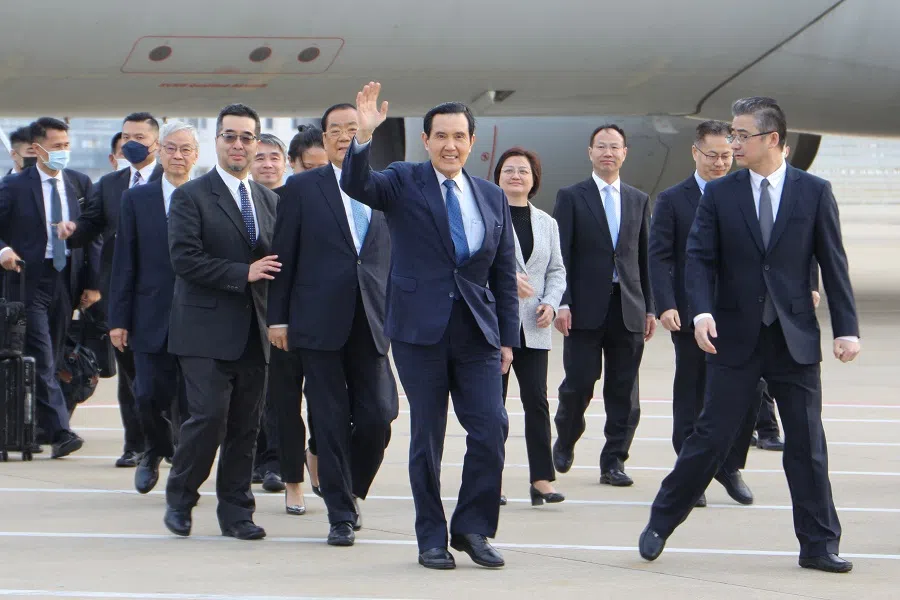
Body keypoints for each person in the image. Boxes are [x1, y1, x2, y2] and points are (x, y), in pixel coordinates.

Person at [639, 97, 861, 574]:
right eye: (732, 135)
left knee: (806, 444)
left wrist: (846, 329)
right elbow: (697, 258)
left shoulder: (814, 191)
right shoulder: (721, 194)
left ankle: (819, 545)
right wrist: (699, 312)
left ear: (773, 139)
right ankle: (661, 520)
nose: (733, 144)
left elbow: (833, 264)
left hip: (794, 338)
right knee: (711, 435)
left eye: (742, 136)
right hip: (734, 337)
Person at [341, 82, 519, 570]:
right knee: (428, 438)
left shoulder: (490, 196)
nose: (450, 145)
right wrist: (364, 135)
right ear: (426, 140)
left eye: (459, 136)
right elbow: (358, 185)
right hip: (419, 332)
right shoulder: (404, 180)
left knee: (491, 429)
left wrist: (508, 339)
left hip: (478, 334)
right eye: (441, 135)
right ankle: (431, 538)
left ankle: (473, 528)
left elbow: (503, 273)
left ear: (472, 142)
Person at [268, 102, 397, 545]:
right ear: (323, 140)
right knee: (329, 417)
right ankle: (340, 513)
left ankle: (352, 489)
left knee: (379, 416)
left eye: (353, 128)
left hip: (374, 319)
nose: (345, 136)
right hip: (317, 322)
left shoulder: (386, 186)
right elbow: (284, 257)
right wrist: (279, 318)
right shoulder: (301, 189)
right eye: (336, 130)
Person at [162, 104, 279, 541]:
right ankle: (181, 496)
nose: (238, 144)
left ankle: (236, 513)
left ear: (257, 142)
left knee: (247, 427)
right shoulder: (191, 196)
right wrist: (240, 273)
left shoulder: (270, 200)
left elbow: (280, 266)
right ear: (217, 141)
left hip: (257, 332)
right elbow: (184, 259)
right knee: (208, 418)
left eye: (246, 137)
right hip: (204, 332)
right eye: (230, 136)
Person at [649, 120, 756, 507]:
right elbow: (659, 256)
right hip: (691, 313)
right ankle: (689, 472)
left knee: (750, 390)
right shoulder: (673, 200)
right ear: (695, 152)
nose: (720, 163)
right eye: (712, 155)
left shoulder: (746, 193)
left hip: (742, 312)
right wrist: (665, 304)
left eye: (727, 155)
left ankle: (729, 465)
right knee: (692, 391)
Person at [59, 112, 165, 468]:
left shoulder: (173, 181)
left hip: (164, 294)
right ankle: (135, 444)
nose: (130, 143)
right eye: (125, 136)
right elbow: (90, 227)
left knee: (168, 373)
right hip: (120, 294)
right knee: (130, 374)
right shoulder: (109, 184)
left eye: (138, 136)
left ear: (156, 142)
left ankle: (171, 440)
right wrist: (73, 229)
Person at [552, 124, 655, 487]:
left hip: (627, 307)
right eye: (601, 147)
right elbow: (560, 254)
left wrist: (650, 307)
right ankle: (565, 439)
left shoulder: (638, 199)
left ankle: (614, 460)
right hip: (583, 308)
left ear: (625, 153)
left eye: (615, 147)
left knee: (624, 390)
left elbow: (644, 258)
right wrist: (561, 302)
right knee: (579, 382)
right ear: (590, 152)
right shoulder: (571, 197)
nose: (608, 153)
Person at [108, 120, 198, 494]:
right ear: (159, 149)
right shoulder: (137, 198)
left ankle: (185, 469)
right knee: (146, 393)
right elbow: (124, 261)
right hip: (148, 315)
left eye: (186, 150)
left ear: (196, 156)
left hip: (197, 316)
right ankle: (154, 450)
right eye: (172, 148)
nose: (178, 156)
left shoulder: (206, 195)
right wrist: (119, 319)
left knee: (193, 402)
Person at [0, 117, 98, 458]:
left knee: (54, 356)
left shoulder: (79, 184)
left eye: (67, 146)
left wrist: (93, 284)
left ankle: (46, 424)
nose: (63, 153)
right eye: (57, 147)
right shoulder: (14, 186)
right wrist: (4, 250)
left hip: (66, 279)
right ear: (38, 149)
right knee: (41, 352)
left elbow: (93, 234)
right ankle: (60, 431)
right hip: (29, 278)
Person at [492, 147, 566, 507]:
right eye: (508, 170)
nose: (515, 176)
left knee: (536, 402)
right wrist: (506, 280)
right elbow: (474, 264)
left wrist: (552, 303)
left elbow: (557, 271)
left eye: (523, 171)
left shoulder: (547, 223)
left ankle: (541, 479)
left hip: (534, 325)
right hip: (495, 326)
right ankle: (492, 479)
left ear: (534, 179)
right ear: (498, 176)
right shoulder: (487, 215)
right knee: (493, 406)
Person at [248, 132, 290, 493]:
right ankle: (255, 458)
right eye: (259, 157)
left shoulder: (296, 199)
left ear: (285, 161)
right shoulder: (241, 199)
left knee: (279, 390)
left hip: (285, 308)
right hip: (246, 304)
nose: (267, 163)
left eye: (273, 157)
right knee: (251, 389)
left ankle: (275, 461)